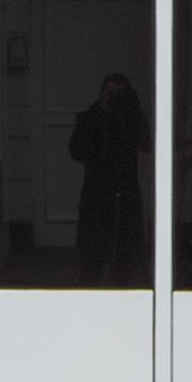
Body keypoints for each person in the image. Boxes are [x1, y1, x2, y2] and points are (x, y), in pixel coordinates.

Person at [68, 72, 151, 284]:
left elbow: (146, 145)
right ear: (102, 94)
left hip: (125, 192)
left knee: (125, 254)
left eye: (119, 94)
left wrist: (135, 112)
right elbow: (76, 151)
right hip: (96, 194)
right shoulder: (88, 118)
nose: (114, 98)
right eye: (110, 93)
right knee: (92, 254)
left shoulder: (130, 118)